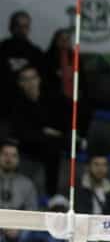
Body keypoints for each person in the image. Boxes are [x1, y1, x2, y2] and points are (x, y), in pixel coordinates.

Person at [10, 65, 69, 196]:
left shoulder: (53, 99)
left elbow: (62, 127)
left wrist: (42, 132)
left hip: (52, 146)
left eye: (33, 78)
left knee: (54, 146)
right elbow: (21, 132)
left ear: (39, 79)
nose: (30, 82)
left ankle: (52, 195)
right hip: (29, 148)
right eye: (25, 79)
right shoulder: (17, 104)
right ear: (20, 83)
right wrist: (44, 132)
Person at [0, 11, 43, 110]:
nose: (22, 29)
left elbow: (43, 79)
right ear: (11, 27)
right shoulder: (2, 49)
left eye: (25, 26)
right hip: (5, 105)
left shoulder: (36, 52)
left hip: (29, 107)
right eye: (18, 25)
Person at [0, 139, 38, 212]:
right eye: (5, 154)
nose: (8, 159)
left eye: (13, 155)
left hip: (18, 223)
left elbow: (33, 212)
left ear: (18, 159)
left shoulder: (27, 185)